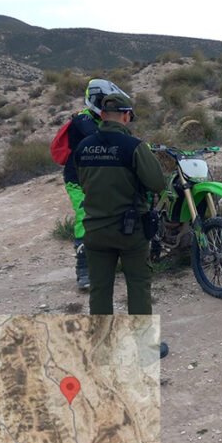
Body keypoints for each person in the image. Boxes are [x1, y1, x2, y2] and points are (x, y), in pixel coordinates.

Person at [74, 93, 165, 315]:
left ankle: (103, 344)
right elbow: (157, 183)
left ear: (103, 115)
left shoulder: (83, 147)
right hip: (130, 232)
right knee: (138, 284)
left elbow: (81, 182)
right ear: (126, 117)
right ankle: (141, 344)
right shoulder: (134, 146)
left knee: (100, 289)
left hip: (94, 230)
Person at [62, 79, 130, 289]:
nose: (108, 106)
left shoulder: (101, 120)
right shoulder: (82, 122)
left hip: (101, 177)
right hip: (78, 180)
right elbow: (105, 140)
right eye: (104, 102)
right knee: (85, 217)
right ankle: (84, 270)